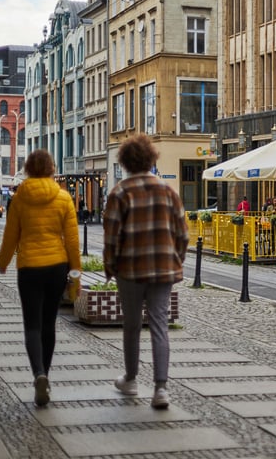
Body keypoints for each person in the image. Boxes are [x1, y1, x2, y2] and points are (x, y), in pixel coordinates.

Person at [103, 134, 189, 410]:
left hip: (130, 268)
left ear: (125, 161)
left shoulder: (119, 192)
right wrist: (176, 258)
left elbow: (111, 236)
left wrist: (109, 266)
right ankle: (161, 389)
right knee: (159, 324)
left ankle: (130, 379)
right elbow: (182, 234)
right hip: (163, 268)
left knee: (131, 325)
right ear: (152, 159)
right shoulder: (168, 191)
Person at [0, 149, 81, 407]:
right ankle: (46, 372)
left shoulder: (20, 196)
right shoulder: (64, 197)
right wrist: (75, 275)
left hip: (30, 267)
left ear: (29, 169)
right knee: (49, 324)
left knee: (32, 325)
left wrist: (2, 262)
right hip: (57, 266)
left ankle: (39, 374)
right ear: (52, 168)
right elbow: (72, 240)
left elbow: (11, 233)